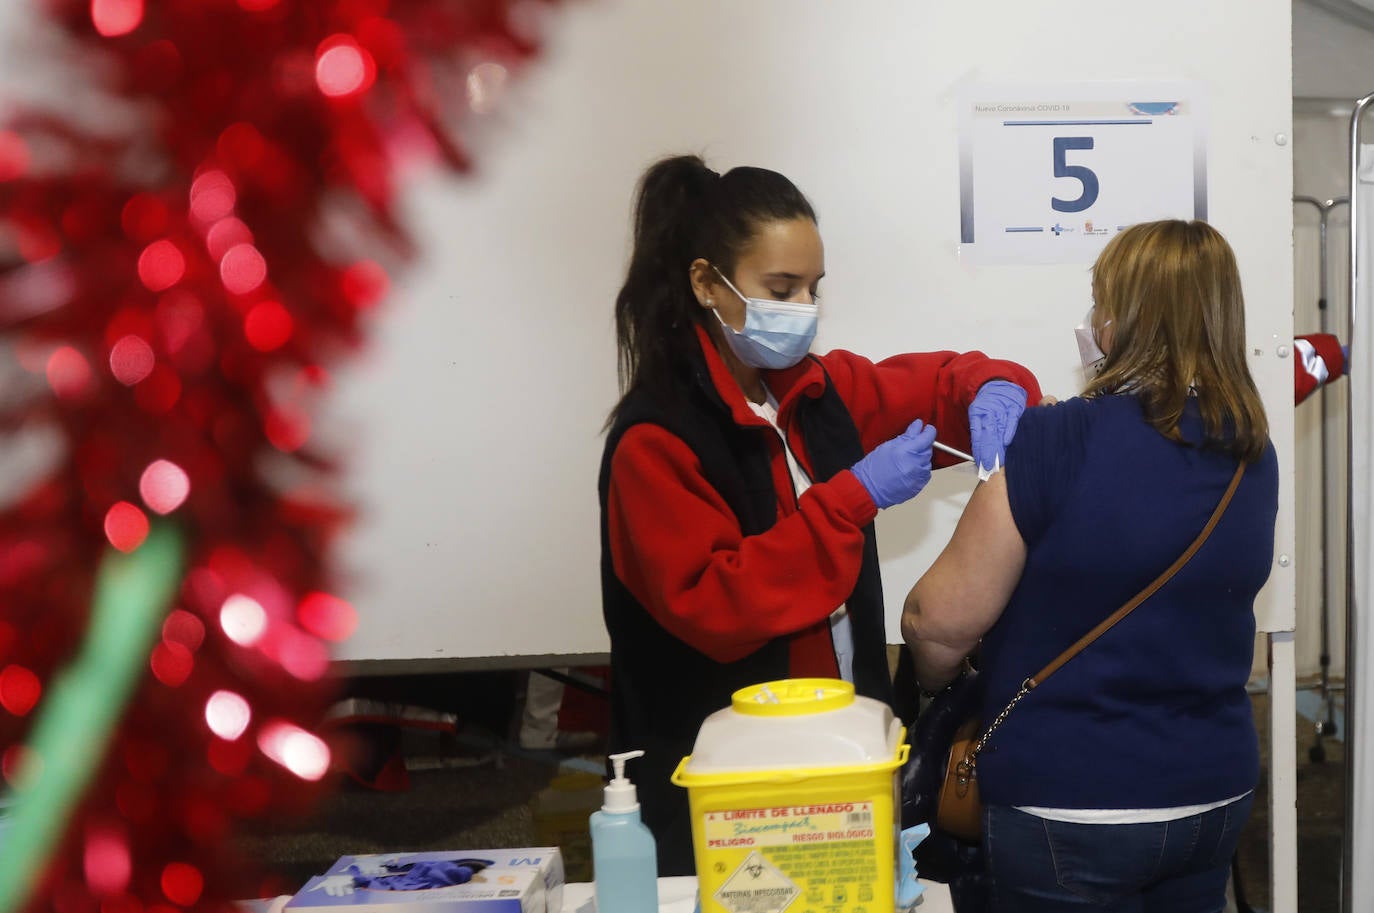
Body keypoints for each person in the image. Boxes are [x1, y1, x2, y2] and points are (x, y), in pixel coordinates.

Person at [598, 154, 1043, 875]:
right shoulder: (658, 440)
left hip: (841, 753)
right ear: (707, 282)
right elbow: (718, 602)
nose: (803, 306)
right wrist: (850, 499)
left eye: (813, 287)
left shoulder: (812, 393)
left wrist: (992, 385)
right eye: (781, 288)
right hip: (724, 779)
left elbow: (934, 384)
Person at [902, 219, 1278, 912]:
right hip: (1212, 796)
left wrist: (934, 686)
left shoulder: (1054, 439)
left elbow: (937, 620)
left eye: (1101, 301)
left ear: (1121, 319)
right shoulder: (1252, 451)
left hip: (1069, 806)